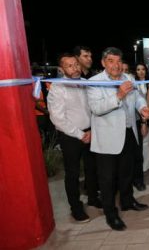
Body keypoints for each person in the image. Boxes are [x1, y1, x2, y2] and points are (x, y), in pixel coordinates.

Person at [87, 47, 149, 231]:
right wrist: (119, 95)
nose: (116, 65)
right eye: (111, 61)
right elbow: (96, 108)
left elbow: (138, 98)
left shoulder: (128, 78)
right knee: (107, 179)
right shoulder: (94, 82)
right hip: (107, 138)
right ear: (103, 63)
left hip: (128, 133)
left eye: (118, 61)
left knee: (127, 173)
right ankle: (111, 214)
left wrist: (142, 109)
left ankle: (127, 201)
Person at [47, 53, 100, 223]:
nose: (75, 68)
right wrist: (80, 134)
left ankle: (92, 198)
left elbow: (93, 108)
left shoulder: (86, 84)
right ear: (61, 69)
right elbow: (57, 118)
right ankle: (76, 208)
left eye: (76, 64)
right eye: (69, 66)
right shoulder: (57, 88)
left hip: (90, 132)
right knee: (73, 173)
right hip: (70, 137)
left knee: (92, 169)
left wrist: (92, 130)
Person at [132, 63, 149, 191]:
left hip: (146, 116)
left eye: (143, 69)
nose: (141, 72)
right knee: (137, 144)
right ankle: (137, 170)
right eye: (138, 69)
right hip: (134, 117)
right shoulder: (132, 83)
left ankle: (145, 167)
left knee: (145, 142)